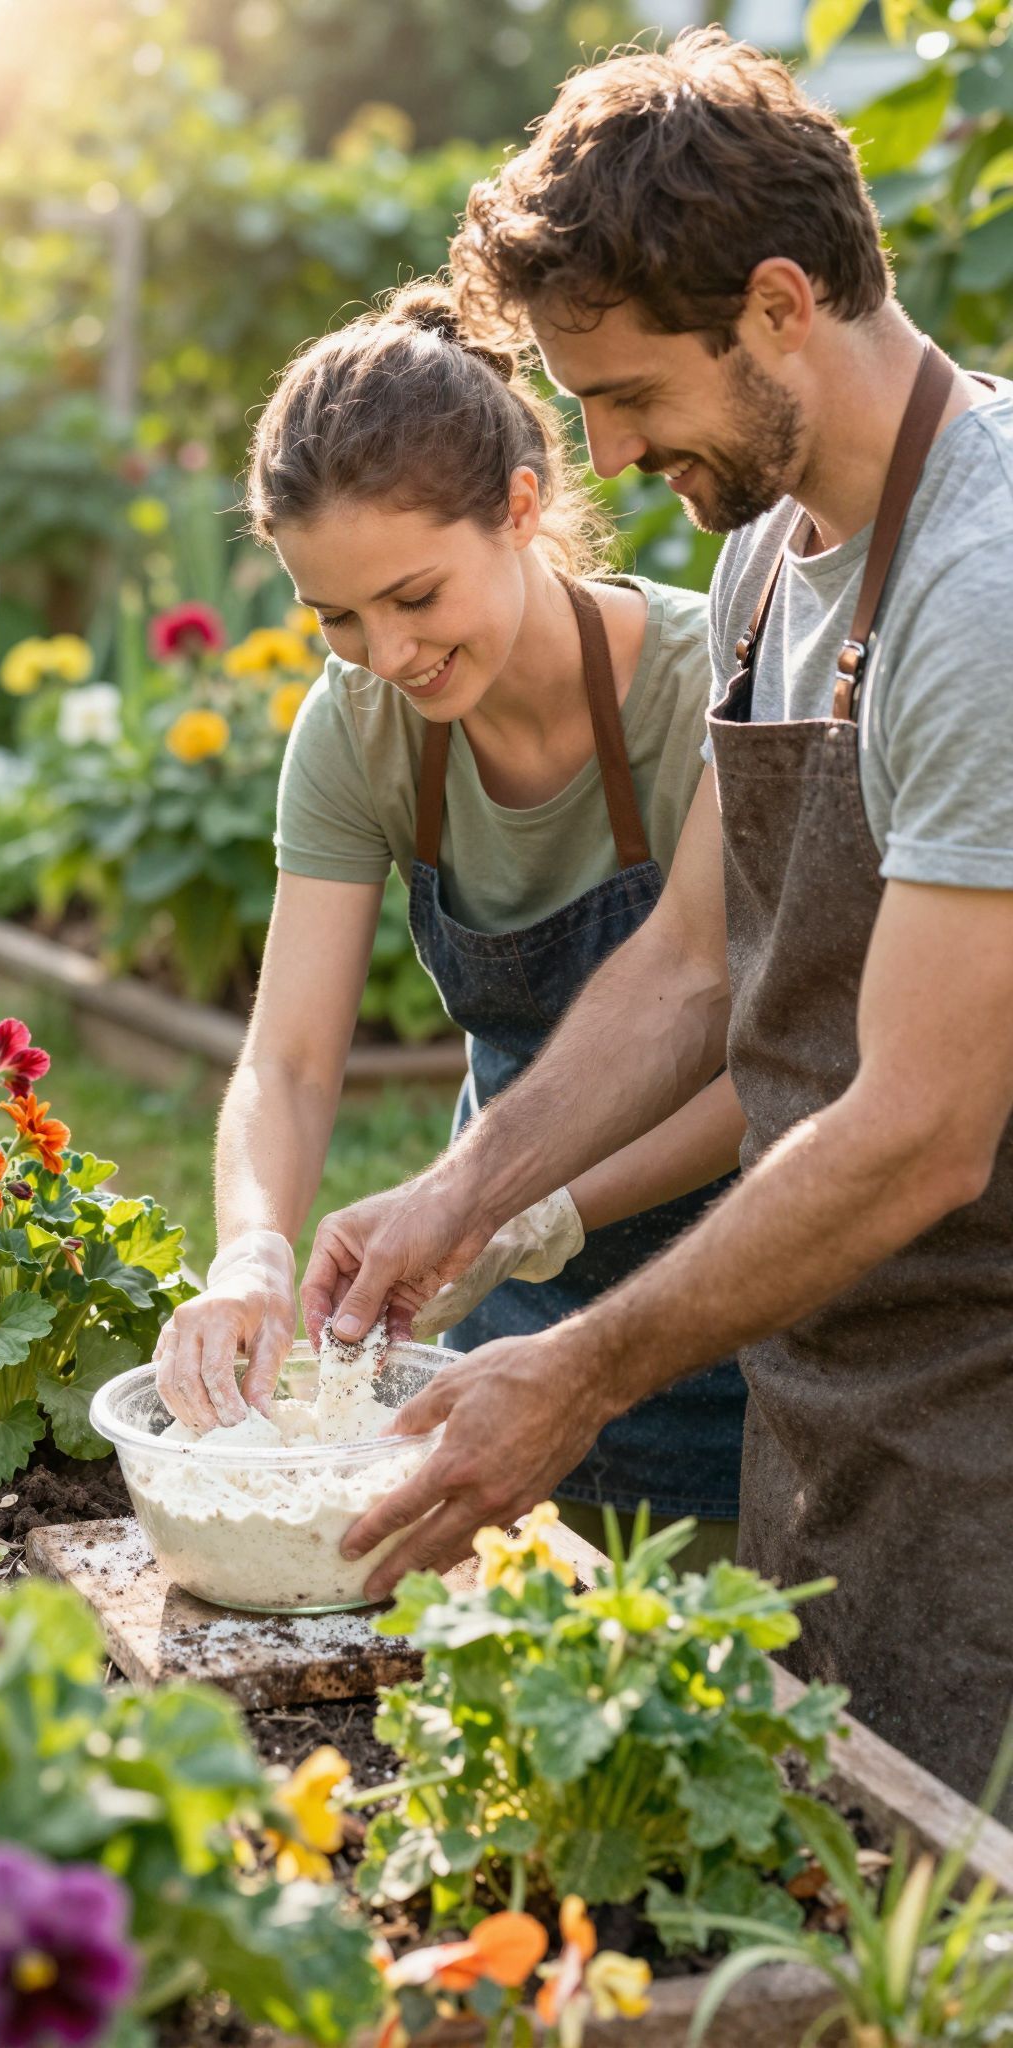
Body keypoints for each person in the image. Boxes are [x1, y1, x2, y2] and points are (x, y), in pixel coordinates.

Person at [305, 30, 1013, 1811]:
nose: (601, 446)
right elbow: (697, 963)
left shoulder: (981, 591)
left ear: (779, 304)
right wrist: (459, 1196)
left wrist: (585, 1364)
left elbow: (925, 1129)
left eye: (621, 393)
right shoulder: (770, 549)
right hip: (831, 1379)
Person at [154, 283, 748, 1561]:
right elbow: (292, 1059)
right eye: (338, 616)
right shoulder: (361, 727)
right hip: (489, 1317)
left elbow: (774, 1063)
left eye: (415, 595)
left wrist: (540, 1209)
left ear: (522, 509)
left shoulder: (713, 693)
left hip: (725, 1313)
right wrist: (251, 1251)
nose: (386, 652)